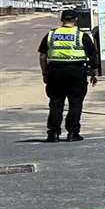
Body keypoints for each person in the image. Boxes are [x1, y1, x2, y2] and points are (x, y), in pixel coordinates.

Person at [38, 8, 100, 141]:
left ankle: (53, 133)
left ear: (62, 20)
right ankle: (73, 133)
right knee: (76, 103)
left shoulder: (51, 35)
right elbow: (93, 56)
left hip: (55, 72)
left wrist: (45, 73)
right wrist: (94, 73)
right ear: (76, 20)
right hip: (76, 72)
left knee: (55, 103)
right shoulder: (81, 35)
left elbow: (43, 56)